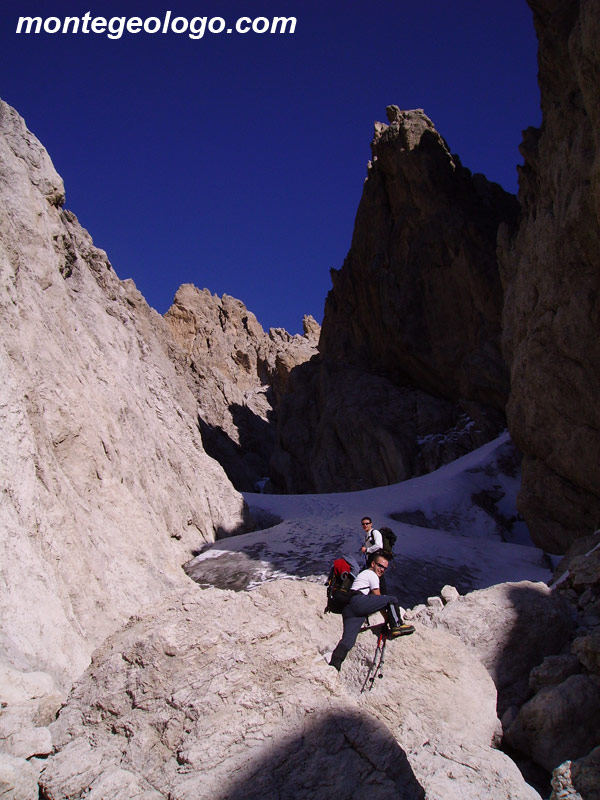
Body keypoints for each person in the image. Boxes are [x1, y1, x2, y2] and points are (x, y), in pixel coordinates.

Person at [329, 553, 414, 671]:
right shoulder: (371, 574)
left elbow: (377, 603)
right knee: (391, 599)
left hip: (349, 609)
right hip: (359, 602)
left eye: (385, 568)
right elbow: (378, 598)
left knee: (348, 640)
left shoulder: (363, 574)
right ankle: (398, 626)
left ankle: (334, 664)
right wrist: (389, 620)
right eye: (380, 566)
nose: (382, 569)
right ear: (373, 564)